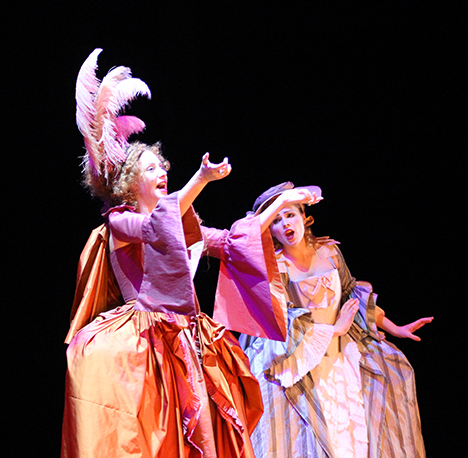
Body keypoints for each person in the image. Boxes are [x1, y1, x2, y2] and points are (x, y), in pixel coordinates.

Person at [61, 49, 318, 458]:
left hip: (189, 336)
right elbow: (152, 227)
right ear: (130, 184)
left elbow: (232, 242)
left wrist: (278, 203)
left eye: (162, 166)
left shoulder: (180, 219)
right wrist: (200, 178)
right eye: (150, 168)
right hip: (144, 339)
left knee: (204, 431)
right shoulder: (119, 222)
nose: (162, 172)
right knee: (151, 433)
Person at [240, 182, 430, 458]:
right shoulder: (276, 267)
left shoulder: (330, 252)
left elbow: (354, 297)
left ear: (305, 217)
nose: (285, 225)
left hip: (340, 356)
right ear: (269, 229)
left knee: (355, 433)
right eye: (276, 220)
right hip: (301, 359)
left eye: (290, 215)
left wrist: (395, 328)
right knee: (308, 439)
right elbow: (286, 323)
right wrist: (334, 328)